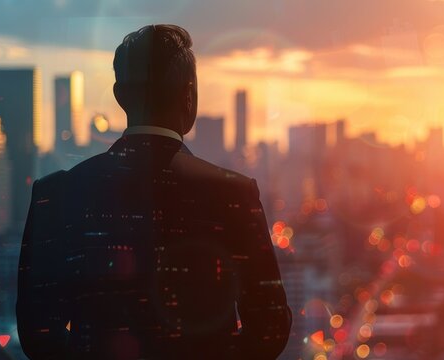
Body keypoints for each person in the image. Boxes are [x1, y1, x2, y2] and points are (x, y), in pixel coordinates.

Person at [16, 24, 291, 359]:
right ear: (189, 95)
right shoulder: (232, 195)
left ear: (120, 96)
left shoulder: (55, 195)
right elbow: (270, 327)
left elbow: (38, 333)